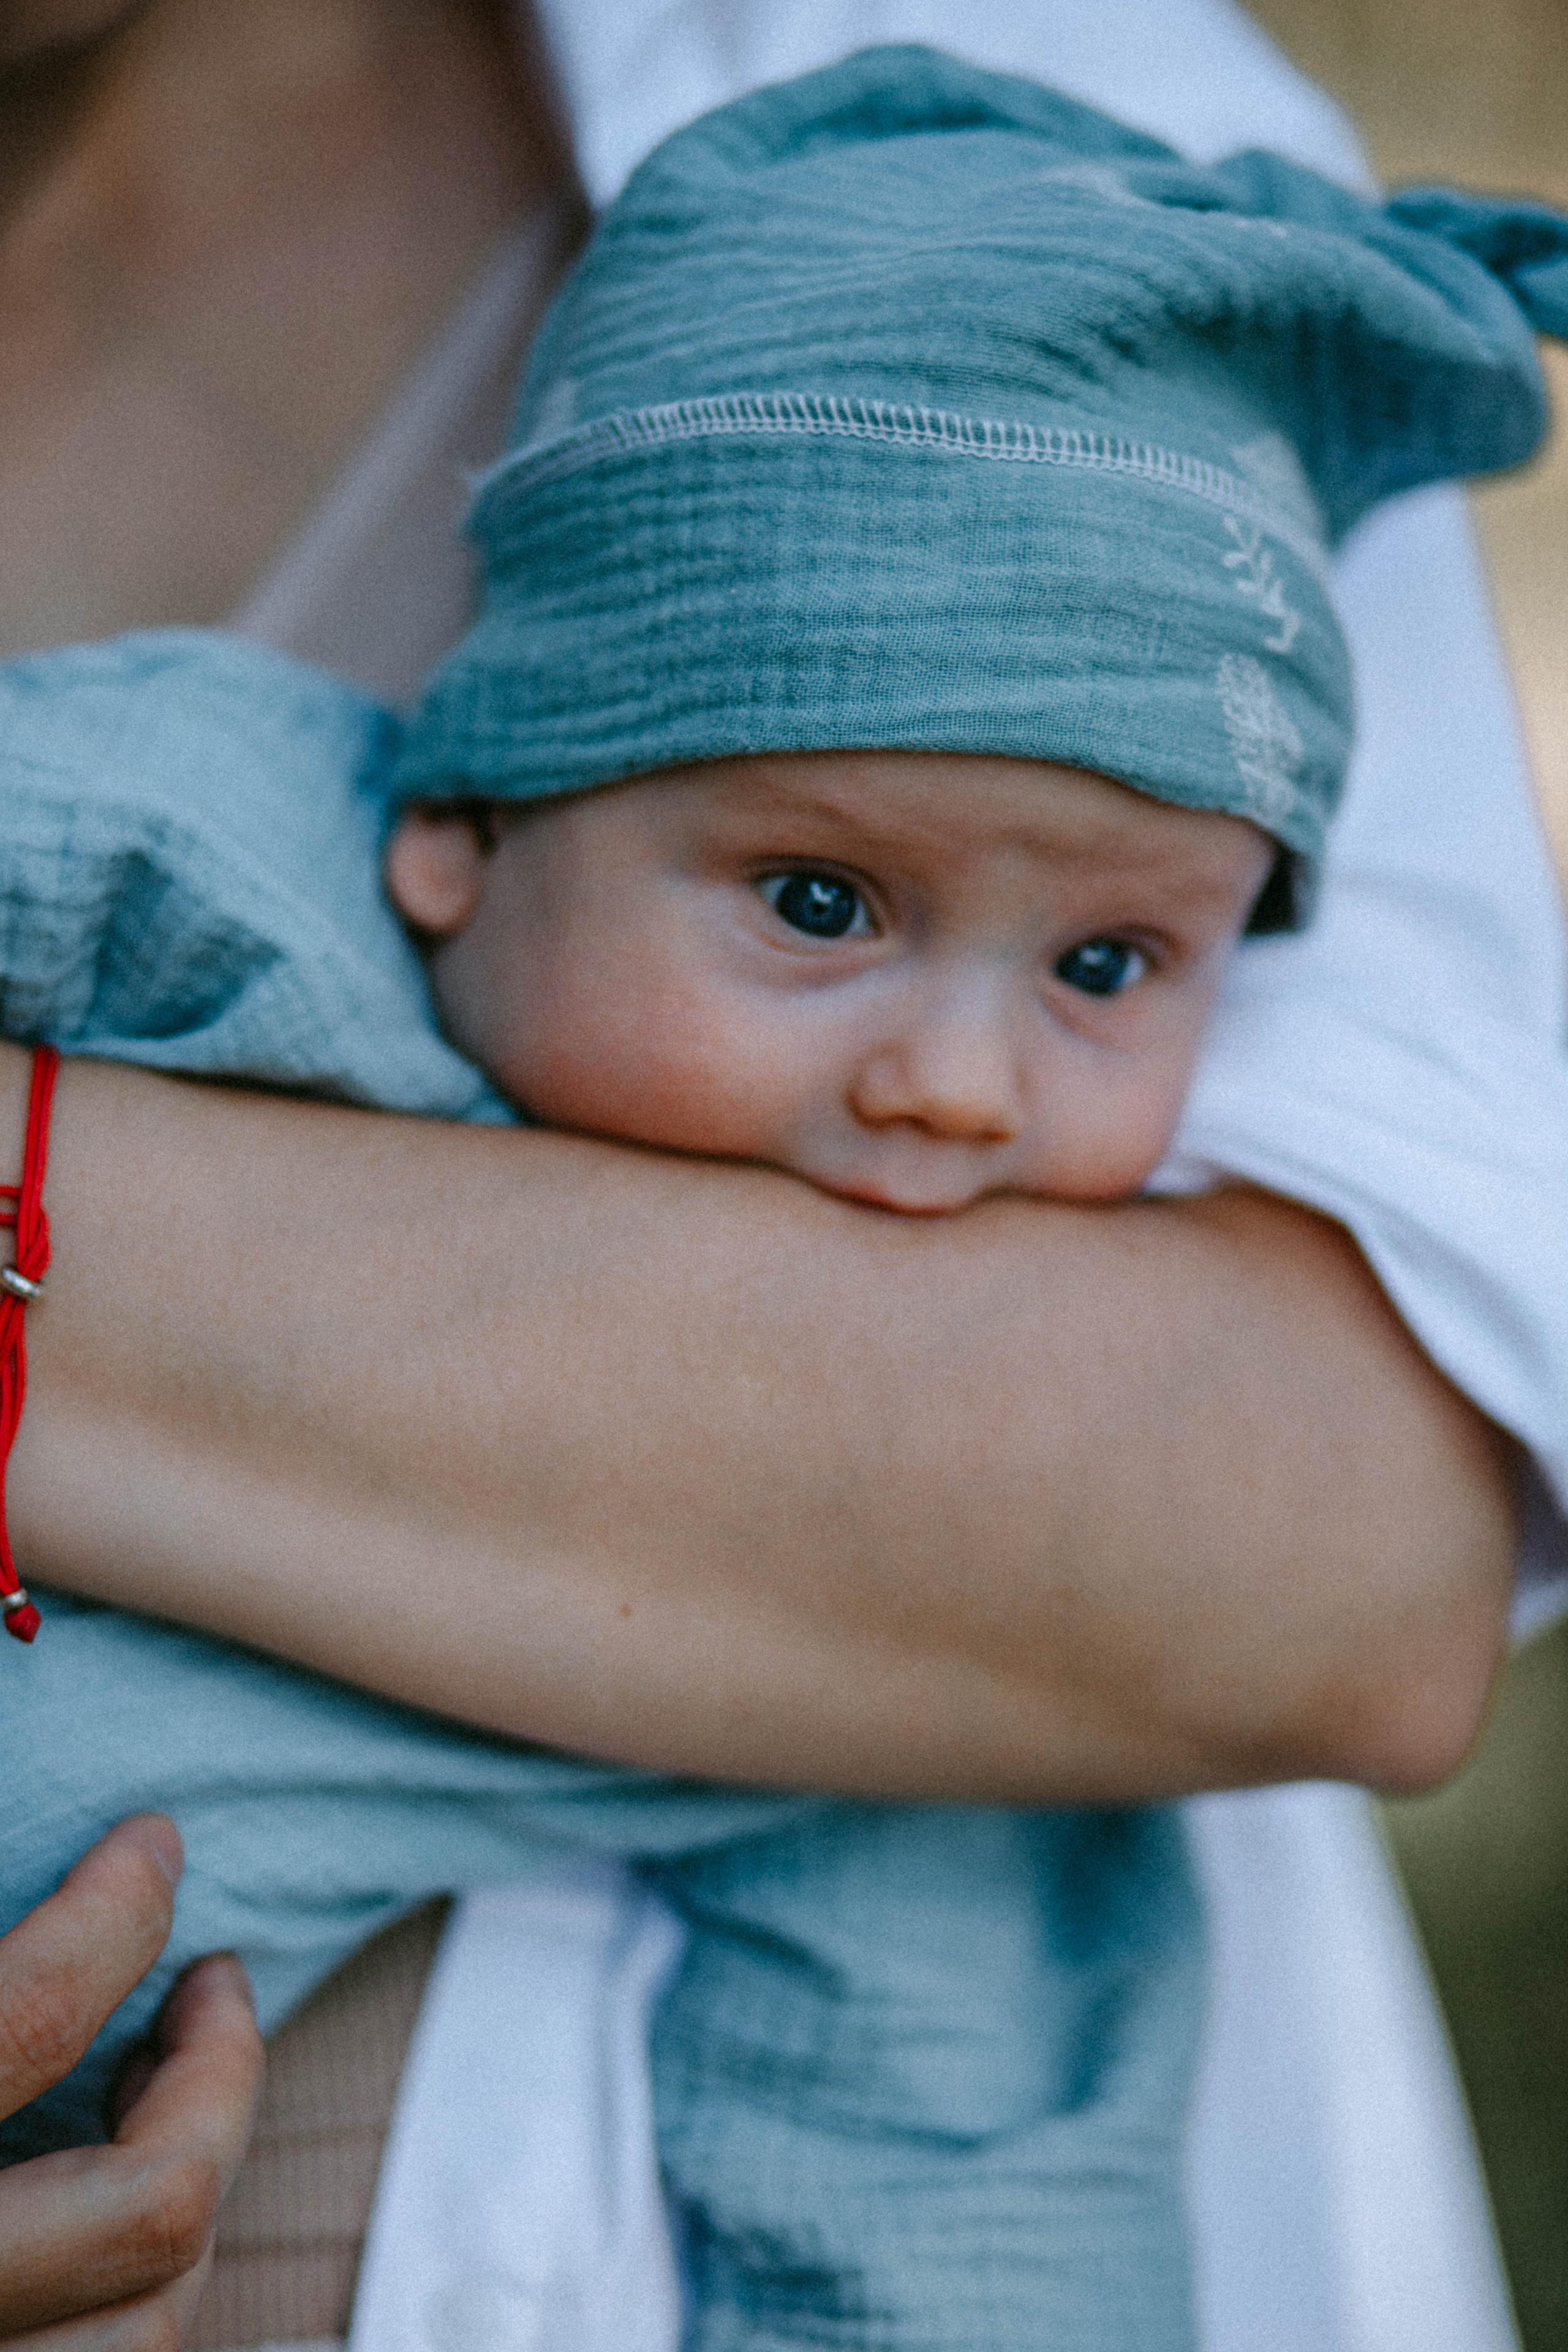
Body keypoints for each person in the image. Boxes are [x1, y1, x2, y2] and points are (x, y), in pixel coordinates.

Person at [0, 2, 1558, 2346]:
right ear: (462, 830)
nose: (955, 1080)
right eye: (818, 906)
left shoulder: (927, 1805)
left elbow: (956, 2185)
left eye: (1115, 961)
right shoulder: (247, 862)